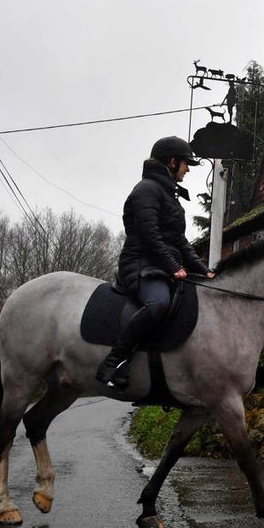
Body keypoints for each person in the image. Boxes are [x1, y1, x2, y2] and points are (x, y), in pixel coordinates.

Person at [95, 136, 214, 389]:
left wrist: (204, 271)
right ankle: (114, 361)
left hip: (160, 267)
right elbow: (150, 236)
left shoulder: (169, 196)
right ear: (172, 162)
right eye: (185, 163)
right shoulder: (146, 190)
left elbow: (180, 242)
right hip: (140, 265)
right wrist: (174, 266)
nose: (188, 169)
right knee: (159, 304)